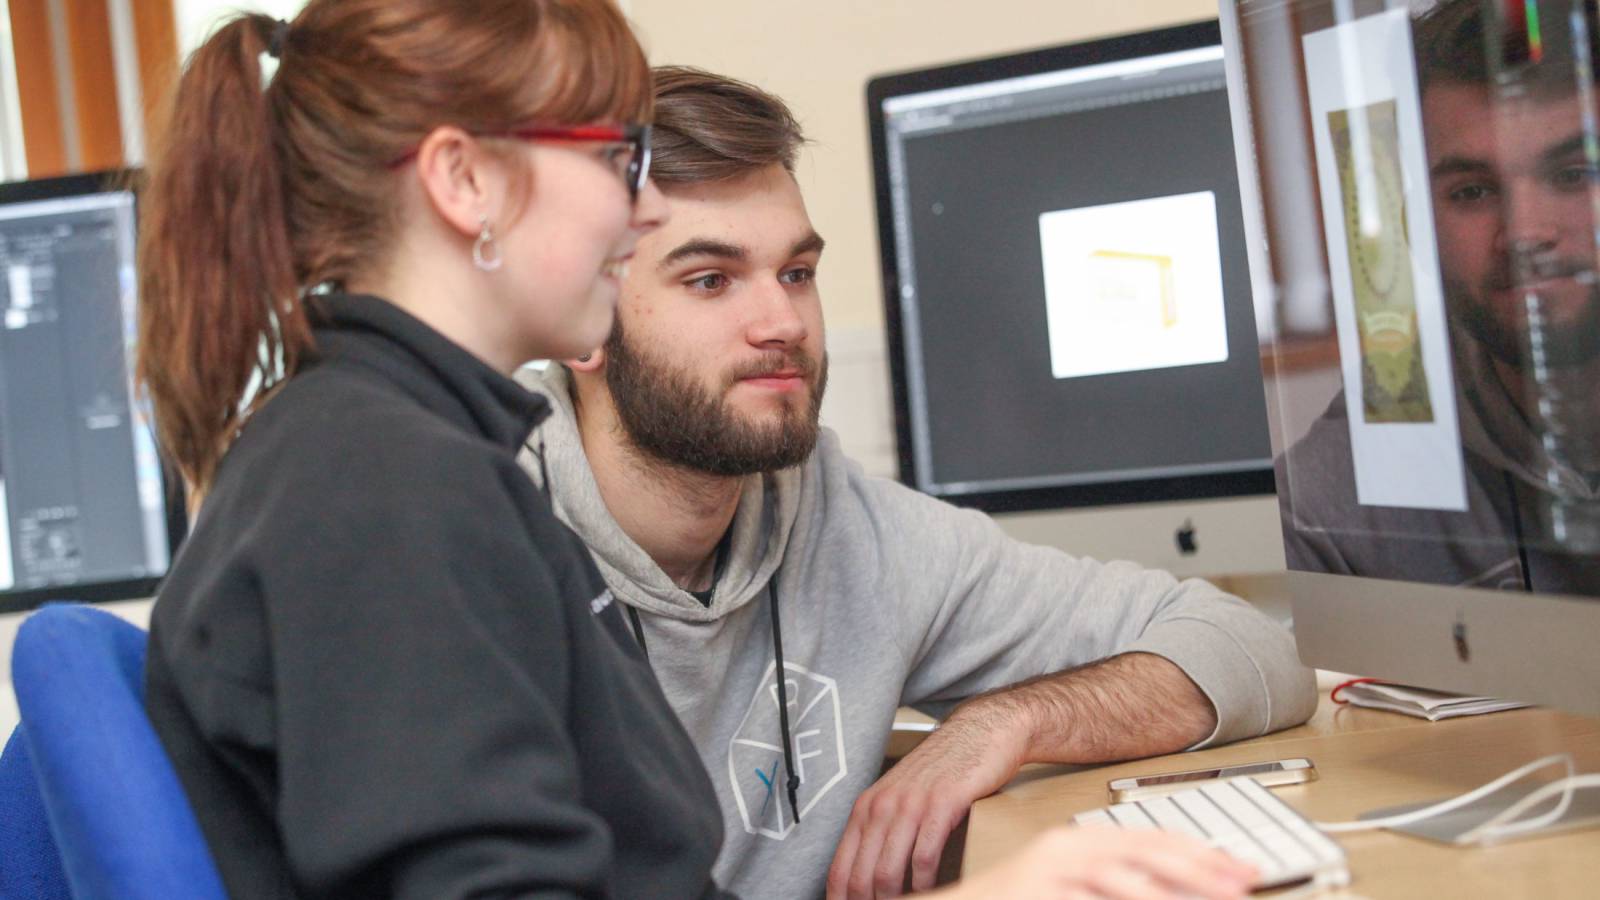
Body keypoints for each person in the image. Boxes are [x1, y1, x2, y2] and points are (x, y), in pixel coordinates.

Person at [134, 3, 1252, 899]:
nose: (630, 219)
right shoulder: (388, 488)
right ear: (465, 182)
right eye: (611, 159)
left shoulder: (412, 454)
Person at [517, 65, 1316, 899]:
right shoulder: (468, 544)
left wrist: (1009, 718)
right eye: (710, 280)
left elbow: (1254, 651)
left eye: (796, 273)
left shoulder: (844, 523)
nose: (783, 323)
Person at [1279, 0, 1600, 594]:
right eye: (1472, 191)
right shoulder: (1332, 512)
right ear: (1413, 223)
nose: (1525, 231)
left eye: (1574, 175)